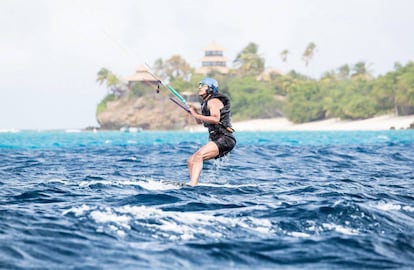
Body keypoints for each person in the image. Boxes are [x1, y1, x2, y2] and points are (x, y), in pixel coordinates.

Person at [187, 77, 236, 186]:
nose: (199, 88)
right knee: (191, 160)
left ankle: (193, 185)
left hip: (225, 138)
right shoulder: (205, 103)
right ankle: (192, 184)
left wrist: (196, 114)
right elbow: (200, 122)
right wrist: (194, 113)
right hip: (217, 138)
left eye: (203, 86)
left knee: (198, 156)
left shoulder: (213, 101)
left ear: (210, 89)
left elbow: (215, 119)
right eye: (199, 85)